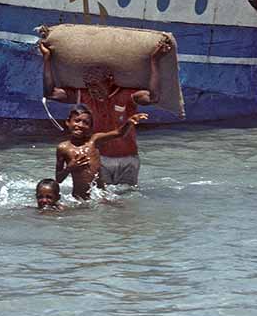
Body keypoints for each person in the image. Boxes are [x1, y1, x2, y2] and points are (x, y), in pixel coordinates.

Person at [39, 36, 172, 187]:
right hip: (101, 159)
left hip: (129, 158)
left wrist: (154, 61)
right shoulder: (85, 96)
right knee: (102, 203)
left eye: (96, 86)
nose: (93, 91)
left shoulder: (127, 95)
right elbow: (51, 93)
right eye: (89, 86)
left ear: (109, 81)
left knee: (127, 203)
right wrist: (47, 59)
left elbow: (153, 97)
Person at [55, 104, 148, 200]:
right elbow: (58, 179)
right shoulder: (63, 148)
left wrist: (129, 122)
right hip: (80, 198)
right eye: (77, 121)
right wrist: (70, 168)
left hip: (100, 195)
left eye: (86, 123)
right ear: (68, 122)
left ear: (90, 128)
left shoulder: (94, 140)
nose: (80, 125)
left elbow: (118, 133)